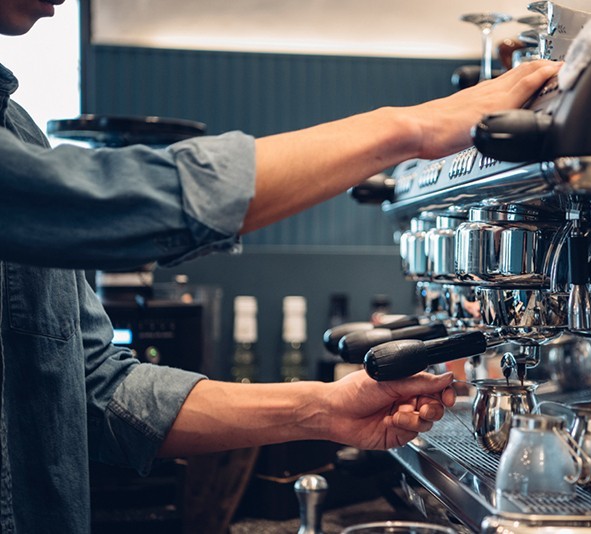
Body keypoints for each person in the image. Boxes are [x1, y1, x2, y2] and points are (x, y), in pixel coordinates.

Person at [0, 1, 560, 532]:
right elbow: (108, 204)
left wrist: (323, 408)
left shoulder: (20, 128)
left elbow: (98, 392)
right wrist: (409, 129)